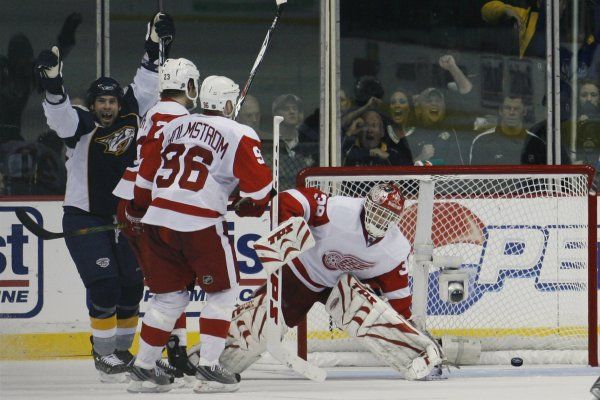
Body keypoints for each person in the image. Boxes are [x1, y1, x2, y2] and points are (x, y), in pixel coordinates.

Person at [34, 11, 175, 382]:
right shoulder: (79, 124)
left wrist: (155, 44)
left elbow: (146, 80)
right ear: (93, 103)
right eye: (103, 102)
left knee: (131, 283)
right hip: (85, 218)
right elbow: (59, 114)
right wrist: (52, 82)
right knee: (106, 283)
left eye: (113, 101)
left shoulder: (132, 112)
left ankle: (122, 354)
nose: (109, 107)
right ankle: (102, 353)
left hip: (125, 218)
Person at [123, 75, 273, 393]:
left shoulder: (174, 126)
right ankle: (208, 367)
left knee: (168, 299)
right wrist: (249, 203)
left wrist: (137, 211)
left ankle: (143, 369)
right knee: (222, 293)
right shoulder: (239, 132)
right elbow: (260, 189)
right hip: (199, 223)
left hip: (158, 220)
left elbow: (146, 174)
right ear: (230, 104)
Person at [218, 183, 443, 380]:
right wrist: (287, 227)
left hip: (342, 286)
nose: (380, 219)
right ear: (366, 204)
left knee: (373, 312)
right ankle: (211, 359)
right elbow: (289, 200)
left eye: (387, 216)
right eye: (377, 212)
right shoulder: (338, 209)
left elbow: (399, 300)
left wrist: (408, 330)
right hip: (300, 274)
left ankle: (419, 358)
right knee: (260, 329)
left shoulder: (395, 249)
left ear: (396, 219)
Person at [112, 57, 201, 383]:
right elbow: (154, 165)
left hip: (138, 202)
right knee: (172, 288)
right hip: (148, 205)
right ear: (190, 86)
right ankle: (152, 360)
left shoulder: (155, 111)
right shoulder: (178, 117)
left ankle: (174, 349)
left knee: (174, 283)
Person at [470, 94, 546, 165]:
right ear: (500, 111)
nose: (511, 112)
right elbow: (475, 176)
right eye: (507, 108)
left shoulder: (535, 142)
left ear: (524, 112)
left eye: (516, 109)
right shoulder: (482, 141)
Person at [343, 110, 412, 166]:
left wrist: (388, 156)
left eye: (374, 125)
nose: (369, 130)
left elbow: (410, 172)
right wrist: (350, 132)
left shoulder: (393, 153)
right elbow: (337, 156)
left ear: (382, 132)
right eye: (366, 125)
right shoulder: (350, 151)